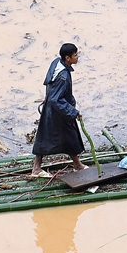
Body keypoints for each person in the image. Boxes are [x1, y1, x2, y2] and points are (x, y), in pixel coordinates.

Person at [31, 43, 88, 178]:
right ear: (68, 58)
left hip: (52, 109)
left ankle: (76, 164)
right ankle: (76, 165)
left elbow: (55, 91)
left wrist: (71, 102)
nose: (78, 57)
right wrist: (73, 111)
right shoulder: (63, 76)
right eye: (75, 55)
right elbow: (56, 99)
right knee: (69, 135)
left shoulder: (57, 63)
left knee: (48, 136)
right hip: (58, 111)